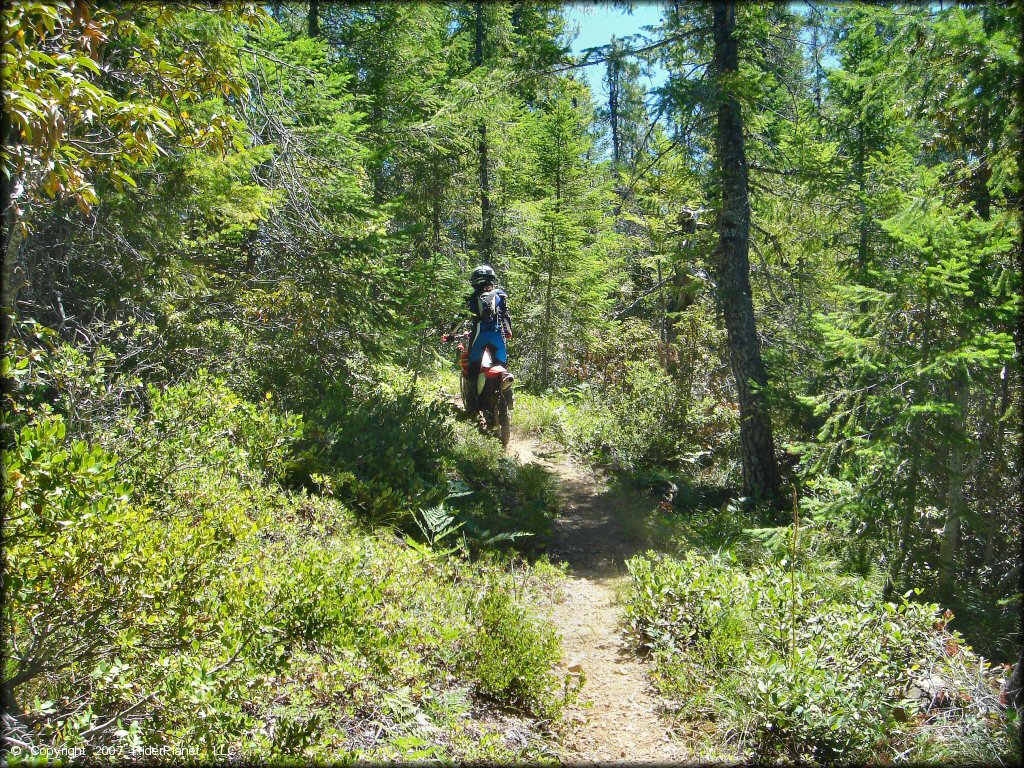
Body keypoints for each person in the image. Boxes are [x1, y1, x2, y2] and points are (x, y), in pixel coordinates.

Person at [465, 264, 513, 415]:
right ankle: (509, 400)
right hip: (498, 337)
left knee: (472, 368)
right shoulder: (500, 296)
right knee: (503, 370)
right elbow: (506, 319)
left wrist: (452, 334)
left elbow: (460, 318)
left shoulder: (473, 297)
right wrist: (509, 332)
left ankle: (472, 408)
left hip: (479, 336)